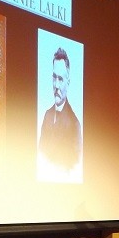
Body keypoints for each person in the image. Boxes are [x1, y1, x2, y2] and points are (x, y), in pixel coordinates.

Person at [38, 47, 83, 180]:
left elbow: (74, 170)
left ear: (68, 83)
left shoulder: (74, 124)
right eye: (54, 77)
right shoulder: (47, 115)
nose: (56, 85)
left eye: (61, 79)